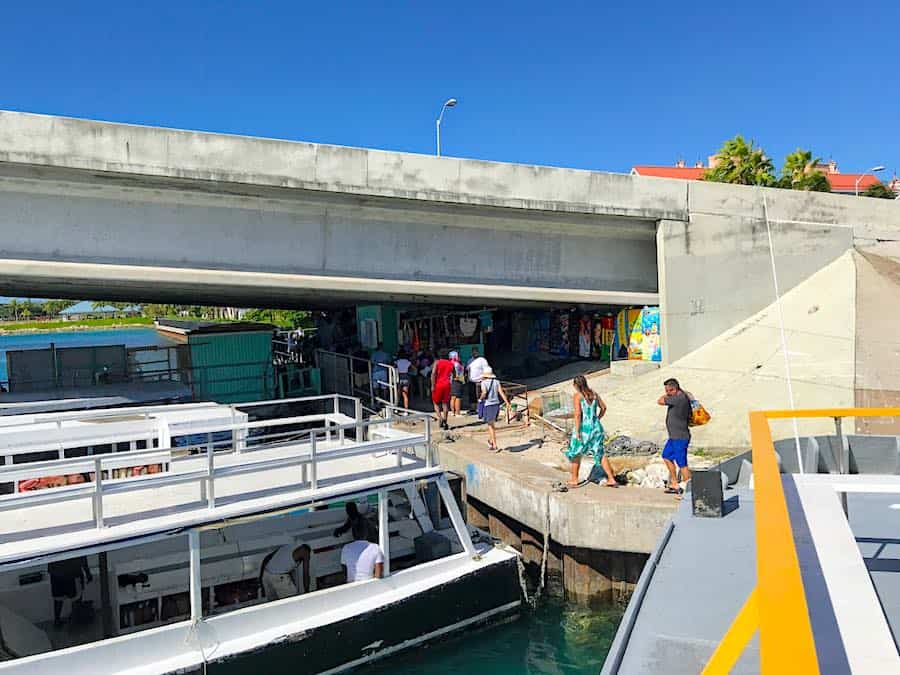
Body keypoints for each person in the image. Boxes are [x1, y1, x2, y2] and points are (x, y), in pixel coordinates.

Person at [564, 375, 618, 488]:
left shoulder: (578, 396)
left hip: (584, 428)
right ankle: (611, 478)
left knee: (576, 453)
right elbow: (603, 408)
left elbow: (578, 415)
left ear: (575, 385)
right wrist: (597, 419)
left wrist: (578, 431)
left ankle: (574, 479)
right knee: (600, 453)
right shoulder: (594, 394)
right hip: (596, 428)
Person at [657, 378, 693, 494]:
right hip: (673, 437)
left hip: (680, 437)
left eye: (669, 390)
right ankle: (674, 483)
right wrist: (670, 393)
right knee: (666, 456)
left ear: (675, 389)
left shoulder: (679, 398)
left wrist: (667, 395)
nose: (667, 393)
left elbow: (660, 401)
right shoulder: (678, 396)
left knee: (682, 463)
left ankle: (690, 489)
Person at [49, 556, 92, 626]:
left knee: (58, 598)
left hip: (55, 572)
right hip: (72, 572)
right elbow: (82, 556)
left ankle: (57, 621)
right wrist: (87, 573)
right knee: (77, 597)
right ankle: (75, 620)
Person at [478, 367, 511, 452]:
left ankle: (494, 444)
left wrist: (480, 399)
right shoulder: (496, 382)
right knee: (492, 425)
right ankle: (491, 440)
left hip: (488, 404)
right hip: (496, 404)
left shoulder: (483, 383)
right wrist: (507, 402)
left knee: (490, 426)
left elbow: (484, 392)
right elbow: (501, 392)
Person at [431, 350, 454, 430]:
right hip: (447, 384)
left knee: (435, 403)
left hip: (438, 384)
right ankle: (445, 420)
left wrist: (432, 385)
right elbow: (454, 374)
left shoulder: (437, 362)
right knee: (445, 403)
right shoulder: (451, 364)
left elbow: (433, 373)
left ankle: (440, 417)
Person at [449, 351, 466, 417]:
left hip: (451, 382)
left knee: (453, 397)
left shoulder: (450, 363)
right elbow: (457, 375)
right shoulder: (456, 364)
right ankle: (457, 413)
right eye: (458, 356)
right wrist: (461, 379)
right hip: (457, 381)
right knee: (458, 397)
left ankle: (453, 412)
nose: (459, 357)